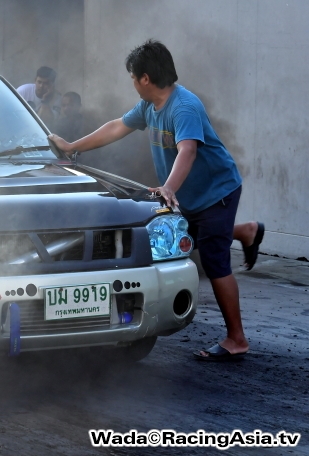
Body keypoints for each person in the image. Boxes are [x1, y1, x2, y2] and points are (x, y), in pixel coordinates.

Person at [48, 40, 265, 362]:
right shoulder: (149, 106)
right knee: (185, 237)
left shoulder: (184, 107)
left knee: (217, 261)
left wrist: (168, 188)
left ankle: (237, 339)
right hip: (188, 194)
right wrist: (71, 146)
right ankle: (246, 231)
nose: (133, 83)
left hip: (216, 191)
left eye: (133, 78)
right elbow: (117, 127)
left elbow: (188, 150)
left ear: (145, 78)